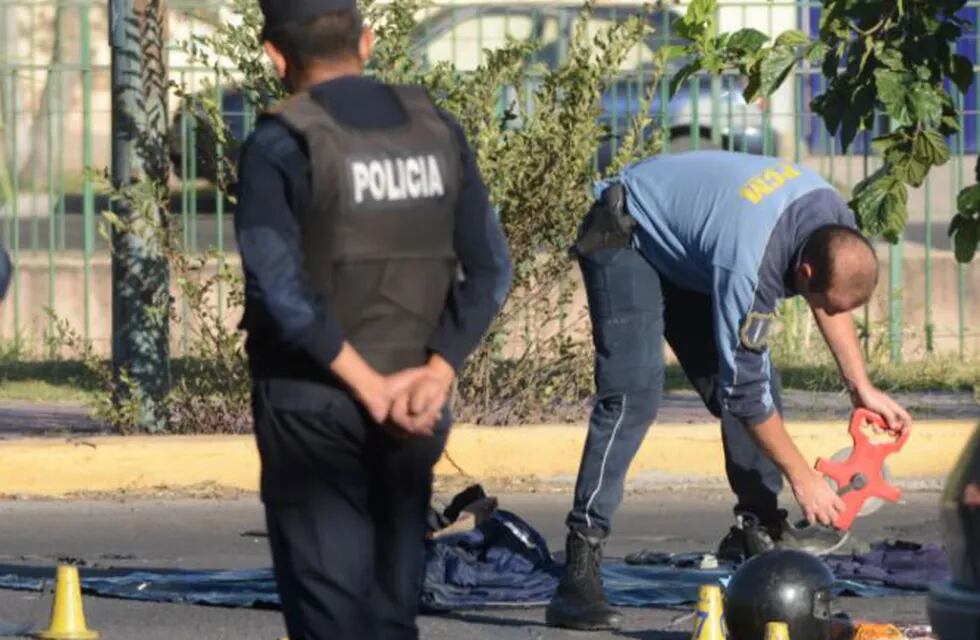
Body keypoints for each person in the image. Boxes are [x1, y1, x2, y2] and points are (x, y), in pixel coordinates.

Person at [235, 1, 512, 638]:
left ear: (275, 55)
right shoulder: (435, 128)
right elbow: (491, 268)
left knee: (333, 616)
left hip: (313, 409)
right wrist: (436, 374)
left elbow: (280, 290)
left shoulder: (279, 142)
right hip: (416, 407)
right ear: (367, 41)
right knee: (390, 614)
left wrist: (368, 386)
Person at [546, 151, 913, 631]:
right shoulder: (751, 265)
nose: (822, 307)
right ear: (803, 274)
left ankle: (756, 532)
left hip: (693, 253)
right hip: (627, 236)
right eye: (815, 296)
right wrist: (803, 477)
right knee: (633, 396)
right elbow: (743, 395)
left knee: (761, 386)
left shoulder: (834, 227)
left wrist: (860, 387)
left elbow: (831, 303)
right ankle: (580, 565)